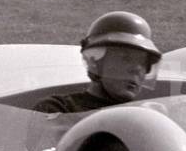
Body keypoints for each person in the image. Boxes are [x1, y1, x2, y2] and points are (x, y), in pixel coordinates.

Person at [34, 11, 162, 114]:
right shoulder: (59, 108)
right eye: (126, 59)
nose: (137, 69)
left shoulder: (148, 114)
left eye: (143, 63)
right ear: (95, 62)